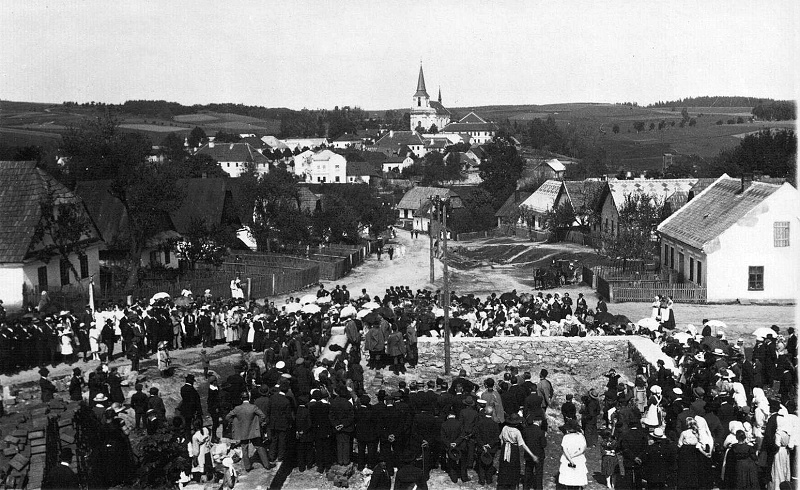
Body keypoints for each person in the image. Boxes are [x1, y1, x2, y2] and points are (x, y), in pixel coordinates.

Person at [225, 392, 270, 472]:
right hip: (253, 431)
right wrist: (257, 423)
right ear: (249, 398)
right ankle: (266, 465)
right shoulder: (253, 407)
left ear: (241, 398)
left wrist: (236, 423)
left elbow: (227, 417)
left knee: (244, 449)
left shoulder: (237, 408)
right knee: (259, 447)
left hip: (243, 432)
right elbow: (262, 416)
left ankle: (247, 467)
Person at [497, 413, 538, 490]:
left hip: (505, 448)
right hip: (513, 450)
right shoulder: (517, 432)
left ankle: (503, 484)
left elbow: (501, 438)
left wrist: (503, 447)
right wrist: (532, 455)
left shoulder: (505, 428)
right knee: (513, 468)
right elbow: (523, 445)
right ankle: (512, 484)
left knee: (504, 467)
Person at [558, 418, 588, 489]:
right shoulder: (581, 437)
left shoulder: (566, 437)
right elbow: (582, 450)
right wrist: (573, 456)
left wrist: (570, 458)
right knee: (577, 478)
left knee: (568, 478)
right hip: (578, 458)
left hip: (567, 459)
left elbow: (565, 450)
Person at [521, 415, 547, 490]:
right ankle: (538, 488)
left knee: (528, 471)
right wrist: (545, 437)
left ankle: (526, 487)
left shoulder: (526, 430)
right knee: (538, 473)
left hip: (528, 454)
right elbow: (544, 445)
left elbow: (524, 441)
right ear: (539, 421)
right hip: (538, 455)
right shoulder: (541, 432)